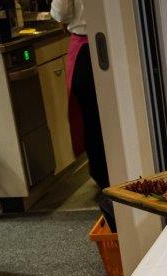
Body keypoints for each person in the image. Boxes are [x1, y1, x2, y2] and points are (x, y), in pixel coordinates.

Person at [50, 0, 109, 190]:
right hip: (114, 39)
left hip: (86, 48)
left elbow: (61, 12)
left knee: (91, 119)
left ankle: (103, 177)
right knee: (113, 114)